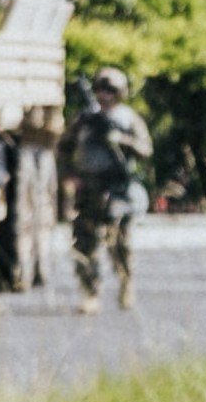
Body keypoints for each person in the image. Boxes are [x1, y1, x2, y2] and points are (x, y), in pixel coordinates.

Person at [63, 67, 152, 315]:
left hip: (116, 189)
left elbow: (146, 150)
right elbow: (64, 147)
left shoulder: (128, 119)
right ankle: (90, 293)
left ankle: (126, 282)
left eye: (110, 90)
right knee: (84, 243)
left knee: (119, 241)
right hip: (88, 187)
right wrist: (70, 175)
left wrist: (122, 140)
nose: (105, 95)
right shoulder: (85, 119)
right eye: (101, 89)